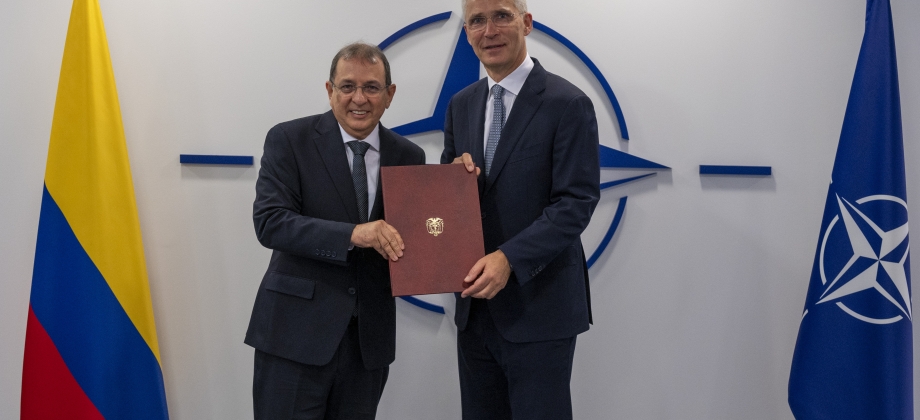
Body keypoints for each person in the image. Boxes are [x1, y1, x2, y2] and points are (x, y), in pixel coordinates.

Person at [246, 42, 425, 420]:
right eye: (347, 86)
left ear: (390, 95)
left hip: (368, 346)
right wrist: (353, 234)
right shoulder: (289, 140)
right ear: (330, 91)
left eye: (372, 87)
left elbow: (419, 237)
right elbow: (270, 222)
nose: (358, 98)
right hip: (294, 338)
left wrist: (459, 183)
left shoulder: (409, 157)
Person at [441, 0, 601, 418]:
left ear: (526, 23)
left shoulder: (569, 103)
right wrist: (453, 178)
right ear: (467, 32)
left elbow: (575, 203)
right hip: (475, 311)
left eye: (501, 16)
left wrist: (509, 259)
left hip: (540, 309)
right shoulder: (461, 104)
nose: (488, 30)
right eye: (476, 20)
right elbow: (448, 196)